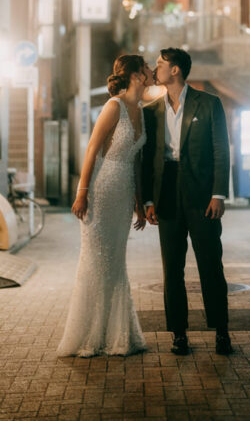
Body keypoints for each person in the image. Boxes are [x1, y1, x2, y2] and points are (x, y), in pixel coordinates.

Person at [57, 54, 154, 357]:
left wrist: (139, 201)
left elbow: (137, 162)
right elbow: (92, 147)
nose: (151, 71)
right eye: (147, 68)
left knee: (115, 261)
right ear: (136, 75)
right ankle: (90, 336)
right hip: (101, 189)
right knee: (97, 261)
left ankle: (116, 334)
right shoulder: (114, 106)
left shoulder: (141, 109)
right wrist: (82, 192)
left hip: (124, 193)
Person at [142, 47, 232, 356]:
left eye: (160, 64)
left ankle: (222, 331)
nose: (156, 68)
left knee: (210, 264)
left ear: (176, 70)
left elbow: (222, 149)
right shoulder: (151, 110)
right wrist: (147, 201)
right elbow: (147, 159)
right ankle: (178, 334)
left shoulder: (209, 104)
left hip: (202, 194)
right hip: (166, 192)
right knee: (172, 269)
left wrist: (218, 194)